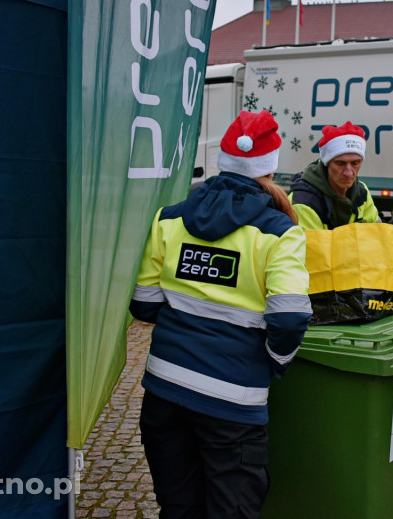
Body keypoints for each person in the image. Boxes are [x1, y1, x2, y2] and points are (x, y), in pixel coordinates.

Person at [130, 110, 313, 519]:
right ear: (269, 168)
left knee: (178, 507)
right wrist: (276, 361)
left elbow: (143, 303)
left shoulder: (170, 218)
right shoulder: (280, 233)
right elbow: (288, 318)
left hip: (164, 390)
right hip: (233, 402)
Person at [289, 121, 380, 230]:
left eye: (355, 163)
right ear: (327, 164)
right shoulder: (304, 202)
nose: (349, 173)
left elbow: (374, 235)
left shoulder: (362, 192)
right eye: (340, 163)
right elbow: (314, 246)